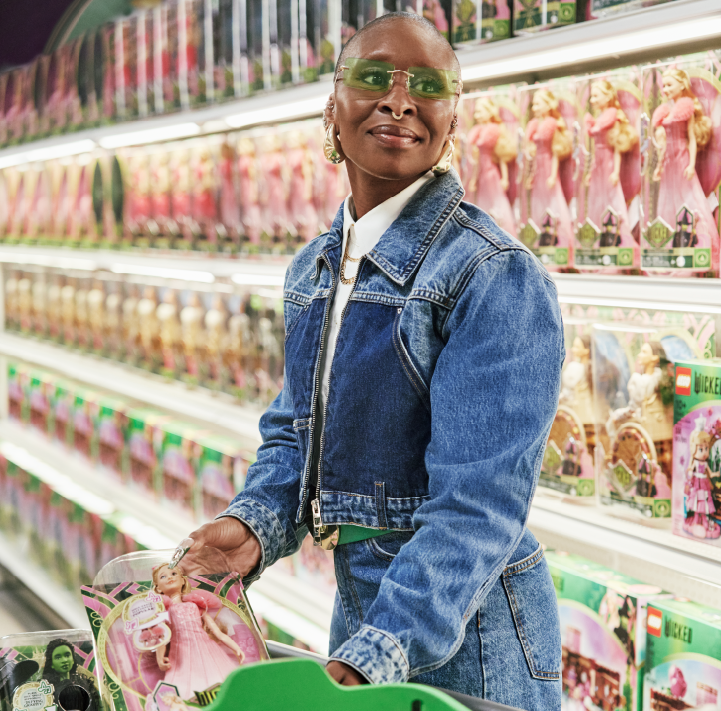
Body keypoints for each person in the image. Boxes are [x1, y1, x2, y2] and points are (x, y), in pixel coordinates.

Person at [183, 12, 563, 708]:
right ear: (333, 107)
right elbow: (297, 435)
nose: (397, 99)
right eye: (372, 77)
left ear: (450, 122)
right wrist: (250, 530)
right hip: (366, 608)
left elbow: (478, 508)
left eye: (426, 84)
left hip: (470, 632)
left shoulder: (493, 276)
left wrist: (371, 655)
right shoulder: (314, 268)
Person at [42, 639, 100, 711]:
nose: (64, 660)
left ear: (73, 659)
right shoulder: (47, 689)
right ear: (51, 664)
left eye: (67, 655)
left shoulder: (84, 684)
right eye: (58, 657)